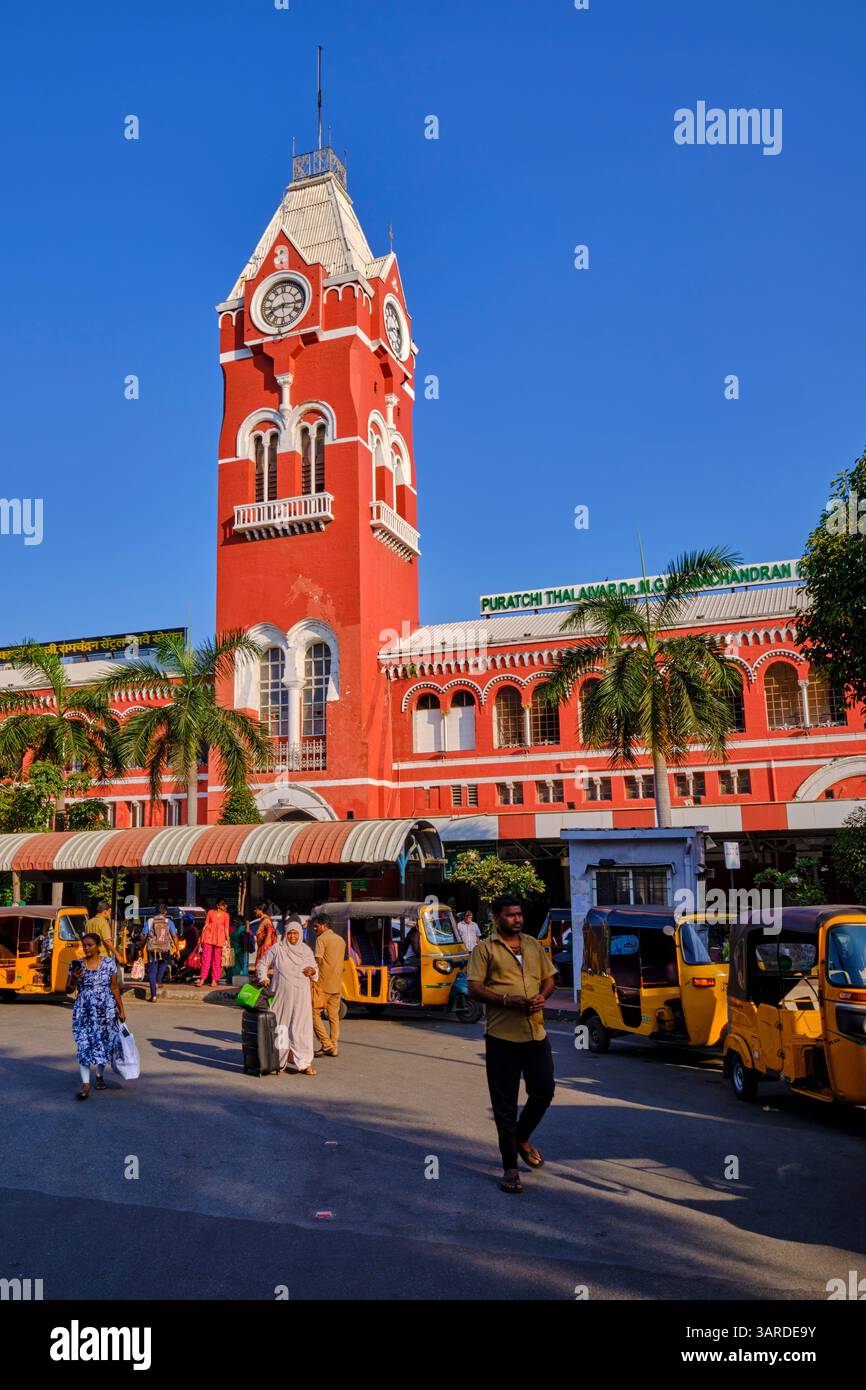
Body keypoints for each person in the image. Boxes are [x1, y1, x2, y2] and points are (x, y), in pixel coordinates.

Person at [467, 895, 557, 1195]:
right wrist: (507, 1000)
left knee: (544, 1092)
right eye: (510, 915)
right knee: (504, 1105)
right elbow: (475, 989)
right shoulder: (484, 950)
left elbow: (549, 978)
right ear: (496, 918)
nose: (516, 919)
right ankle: (510, 1168)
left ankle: (521, 1137)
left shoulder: (532, 944)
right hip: (502, 1038)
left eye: (519, 914)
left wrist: (543, 996)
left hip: (536, 1033)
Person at [68, 932, 126, 1100]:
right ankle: (85, 1083)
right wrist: (73, 978)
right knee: (83, 1044)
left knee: (103, 1043)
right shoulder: (77, 965)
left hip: (105, 1010)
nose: (86, 948)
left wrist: (121, 1009)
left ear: (98, 946)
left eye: (89, 945)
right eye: (84, 945)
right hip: (83, 1011)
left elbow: (114, 988)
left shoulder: (109, 964)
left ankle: (99, 1075)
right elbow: (68, 989)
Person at [257, 924, 319, 1074]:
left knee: (301, 1028)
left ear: (300, 934)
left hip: (301, 997)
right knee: (281, 1028)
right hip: (281, 996)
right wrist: (263, 978)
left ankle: (304, 1063)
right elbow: (263, 964)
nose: (293, 937)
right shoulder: (278, 948)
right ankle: (278, 1062)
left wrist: (312, 971)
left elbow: (315, 969)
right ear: (285, 934)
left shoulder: (305, 950)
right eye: (290, 933)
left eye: (296, 933)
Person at [311, 912, 347, 1058]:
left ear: (324, 925)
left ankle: (326, 1043)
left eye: (316, 926)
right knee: (334, 1017)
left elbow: (317, 961)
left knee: (313, 1013)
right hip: (337, 984)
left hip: (323, 985)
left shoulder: (321, 939)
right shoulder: (341, 940)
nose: (315, 929)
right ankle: (334, 1047)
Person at [140, 904, 177, 1002]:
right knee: (164, 964)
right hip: (165, 949)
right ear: (165, 912)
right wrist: (177, 949)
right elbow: (174, 936)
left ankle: (154, 995)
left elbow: (143, 936)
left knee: (152, 972)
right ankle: (158, 981)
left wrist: (141, 947)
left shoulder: (149, 921)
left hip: (153, 950)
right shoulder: (169, 922)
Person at [197, 899, 230, 988]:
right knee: (205, 959)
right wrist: (200, 937)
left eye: (225, 904)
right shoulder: (210, 912)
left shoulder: (226, 915)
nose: (225, 906)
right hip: (208, 937)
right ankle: (202, 979)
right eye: (223, 904)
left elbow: (226, 929)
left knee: (217, 960)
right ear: (218, 905)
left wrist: (228, 942)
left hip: (219, 939)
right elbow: (206, 924)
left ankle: (214, 980)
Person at [254, 903, 277, 970]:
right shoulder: (263, 919)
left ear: (261, 910)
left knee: (262, 964)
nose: (255, 911)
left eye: (256, 909)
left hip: (265, 947)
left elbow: (270, 932)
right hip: (262, 945)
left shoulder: (266, 919)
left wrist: (265, 945)